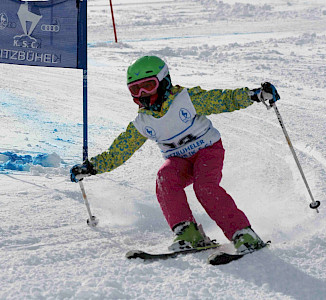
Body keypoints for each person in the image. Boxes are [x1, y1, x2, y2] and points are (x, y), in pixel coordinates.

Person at [70, 56, 280, 254]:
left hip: (207, 151)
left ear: (164, 82)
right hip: (180, 161)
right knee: (165, 178)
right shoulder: (143, 122)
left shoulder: (186, 99)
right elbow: (120, 151)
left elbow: (222, 100)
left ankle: (243, 234)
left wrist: (254, 95)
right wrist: (91, 167)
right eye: (135, 89)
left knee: (204, 187)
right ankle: (188, 232)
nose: (142, 93)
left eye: (148, 85)